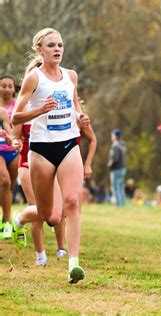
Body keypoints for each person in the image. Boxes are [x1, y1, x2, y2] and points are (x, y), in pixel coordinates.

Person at [11, 27, 90, 284]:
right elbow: (16, 116)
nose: (57, 49)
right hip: (42, 149)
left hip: (68, 144)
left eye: (60, 45)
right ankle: (20, 217)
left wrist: (80, 117)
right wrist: (39, 110)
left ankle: (74, 264)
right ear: (39, 50)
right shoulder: (34, 78)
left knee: (72, 202)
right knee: (50, 215)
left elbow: (75, 105)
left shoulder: (71, 76)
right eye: (51, 45)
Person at [0, 75, 20, 239]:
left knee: (9, 187)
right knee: (4, 182)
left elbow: (10, 128)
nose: (6, 89)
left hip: (13, 151)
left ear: (14, 88)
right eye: (3, 86)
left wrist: (13, 140)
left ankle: (5, 217)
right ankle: (6, 223)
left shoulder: (19, 105)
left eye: (9, 86)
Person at [108, 128, 126, 207]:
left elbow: (115, 159)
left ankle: (119, 204)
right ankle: (122, 203)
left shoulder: (115, 145)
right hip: (122, 168)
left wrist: (109, 165)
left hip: (116, 169)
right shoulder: (122, 145)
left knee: (115, 187)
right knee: (121, 186)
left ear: (115, 136)